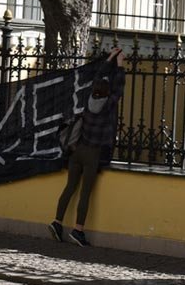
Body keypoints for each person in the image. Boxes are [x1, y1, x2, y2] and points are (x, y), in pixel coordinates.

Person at [48, 47, 126, 246]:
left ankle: (57, 222)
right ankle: (78, 230)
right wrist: (120, 66)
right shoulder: (108, 104)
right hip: (93, 153)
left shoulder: (88, 101)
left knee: (69, 187)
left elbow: (99, 76)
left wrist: (109, 59)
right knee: (85, 193)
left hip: (77, 150)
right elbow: (119, 87)